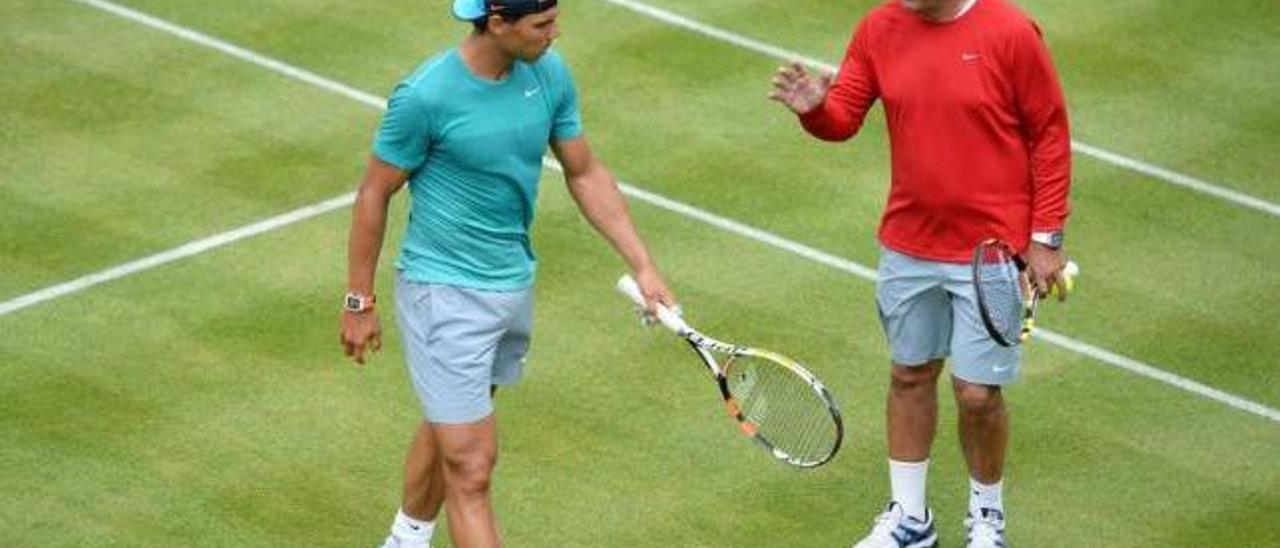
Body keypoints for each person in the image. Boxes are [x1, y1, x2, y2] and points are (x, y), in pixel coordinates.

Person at [339, 1, 675, 546]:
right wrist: (360, 300)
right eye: (541, 24)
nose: (555, 32)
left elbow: (584, 172)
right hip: (442, 292)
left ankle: (405, 538)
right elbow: (374, 192)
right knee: (472, 466)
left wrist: (644, 265)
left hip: (511, 285)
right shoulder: (425, 95)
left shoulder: (549, 73)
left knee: (453, 420)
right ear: (497, 24)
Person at [769, 0, 1072, 546]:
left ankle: (987, 518)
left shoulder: (1010, 31)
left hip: (991, 253)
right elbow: (842, 120)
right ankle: (911, 519)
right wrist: (816, 109)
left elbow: (1049, 132)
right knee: (910, 376)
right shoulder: (879, 27)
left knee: (977, 393)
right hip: (909, 246)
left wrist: (1046, 239)